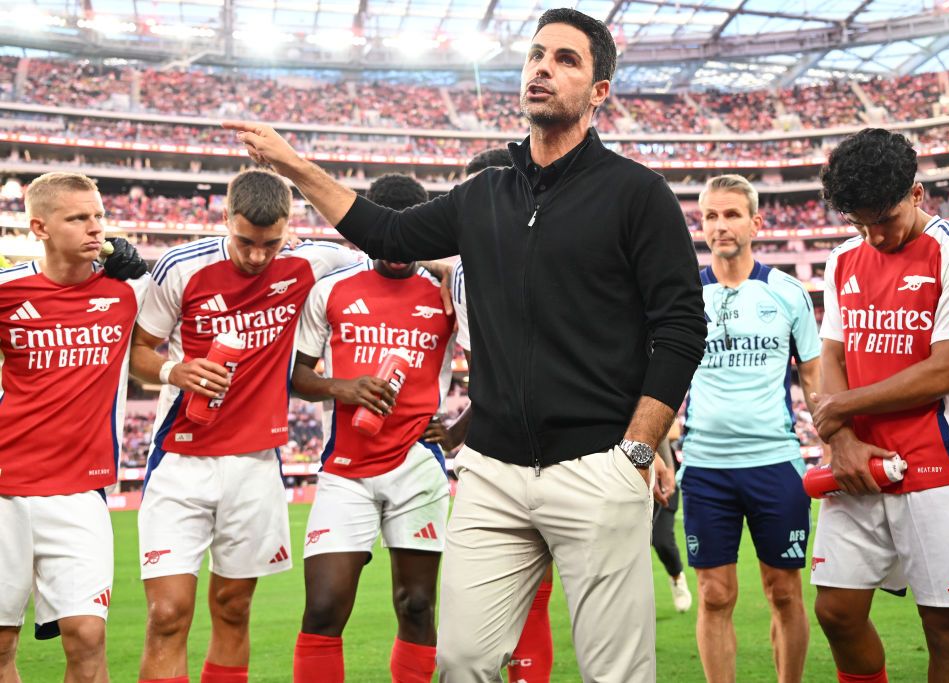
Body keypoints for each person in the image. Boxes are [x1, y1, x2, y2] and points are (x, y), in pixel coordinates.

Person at [225, 7, 707, 680]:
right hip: (492, 474)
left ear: (600, 91)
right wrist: (293, 165)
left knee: (614, 670)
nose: (543, 67)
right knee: (462, 660)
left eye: (567, 59)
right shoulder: (485, 195)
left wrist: (637, 446)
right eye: (537, 55)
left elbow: (683, 324)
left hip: (596, 466)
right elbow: (387, 234)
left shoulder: (636, 193)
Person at [129, 169, 365, 683]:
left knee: (234, 607)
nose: (258, 256)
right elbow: (139, 352)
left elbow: (384, 255)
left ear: (290, 227)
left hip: (257, 464)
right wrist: (175, 370)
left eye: (270, 243)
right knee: (167, 614)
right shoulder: (180, 267)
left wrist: (445, 274)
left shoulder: (313, 260)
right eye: (245, 242)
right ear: (225, 220)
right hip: (180, 460)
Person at [811, 128, 949, 683]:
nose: (873, 236)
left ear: (916, 194)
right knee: (836, 612)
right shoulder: (843, 258)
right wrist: (841, 440)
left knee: (944, 630)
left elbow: (943, 371)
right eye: (859, 222)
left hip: (936, 465)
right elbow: (832, 354)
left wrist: (836, 407)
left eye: (884, 220)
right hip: (856, 464)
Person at [290, 174, 455, 683]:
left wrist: (459, 430)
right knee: (322, 607)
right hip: (346, 470)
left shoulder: (448, 292)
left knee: (418, 605)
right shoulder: (332, 290)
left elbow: (495, 367)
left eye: (412, 233)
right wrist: (343, 388)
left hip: (418, 467)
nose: (399, 247)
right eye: (387, 233)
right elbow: (294, 376)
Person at [0, 172, 147, 683]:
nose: (94, 228)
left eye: (99, 216)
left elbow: (159, 336)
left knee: (87, 636)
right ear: (39, 226)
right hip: (4, 490)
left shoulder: (128, 289)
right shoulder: (7, 292)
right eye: (78, 218)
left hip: (80, 490)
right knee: (0, 644)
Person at [680, 174, 819, 683]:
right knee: (715, 594)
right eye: (712, 215)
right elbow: (664, 380)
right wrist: (652, 451)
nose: (721, 225)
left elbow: (813, 378)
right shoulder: (683, 294)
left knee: (783, 590)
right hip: (704, 467)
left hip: (776, 462)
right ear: (702, 223)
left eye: (732, 213)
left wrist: (835, 444)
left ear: (756, 222)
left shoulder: (787, 292)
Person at [432, 146, 558, 683]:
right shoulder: (462, 275)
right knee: (506, 603)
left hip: (574, 448)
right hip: (502, 453)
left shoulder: (562, 249)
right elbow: (492, 370)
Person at [652, 436, 692, 613]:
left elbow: (671, 432)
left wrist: (669, 468)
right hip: (618, 473)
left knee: (662, 540)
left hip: (659, 470)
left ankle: (676, 577)